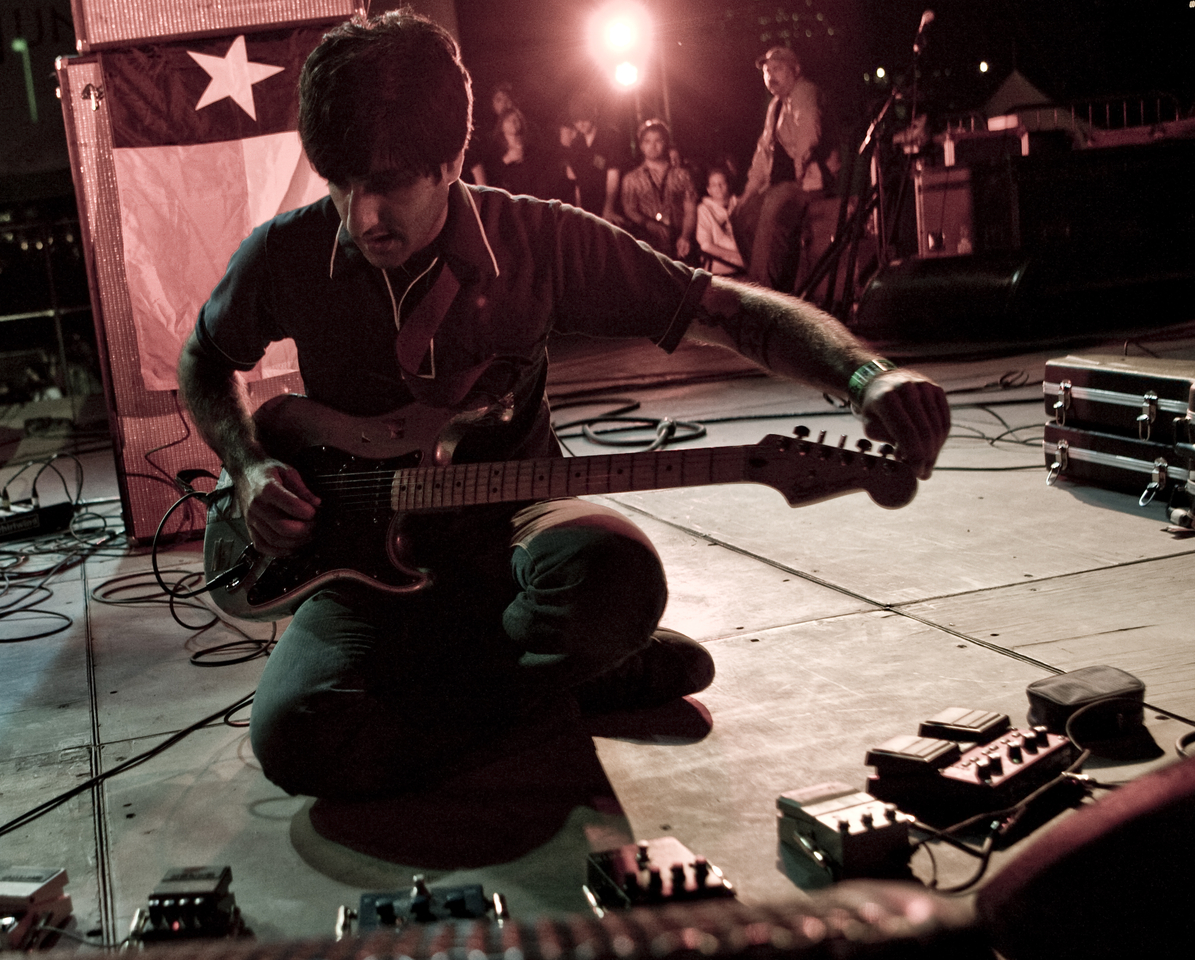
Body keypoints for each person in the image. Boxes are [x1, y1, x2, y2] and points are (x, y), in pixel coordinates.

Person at [178, 10, 950, 801]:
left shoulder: (537, 241)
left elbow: (726, 311)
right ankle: (566, 677)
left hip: (515, 528)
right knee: (294, 735)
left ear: (451, 160)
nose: (364, 214)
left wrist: (863, 375)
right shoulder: (286, 254)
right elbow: (205, 360)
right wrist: (247, 466)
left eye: (391, 182)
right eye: (342, 182)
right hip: (355, 559)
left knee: (619, 577)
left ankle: (508, 664)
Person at [733, 44, 834, 292]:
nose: (770, 76)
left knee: (774, 203)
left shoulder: (804, 91)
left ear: (795, 70)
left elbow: (808, 129)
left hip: (807, 182)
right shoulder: (774, 106)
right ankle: (776, 284)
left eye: (777, 69)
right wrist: (748, 192)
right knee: (741, 214)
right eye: (767, 71)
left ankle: (761, 290)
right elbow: (762, 153)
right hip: (779, 185)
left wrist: (799, 169)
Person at [619, 120, 697, 261]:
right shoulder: (631, 179)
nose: (652, 146)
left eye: (658, 141)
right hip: (648, 244)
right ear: (641, 145)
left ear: (665, 143)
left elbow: (690, 210)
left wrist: (685, 236)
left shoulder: (682, 175)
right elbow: (630, 210)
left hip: (679, 241)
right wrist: (650, 225)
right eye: (647, 141)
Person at [564, 92, 630, 225]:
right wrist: (579, 210)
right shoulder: (576, 144)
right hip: (588, 207)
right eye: (576, 120)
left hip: (611, 205)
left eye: (584, 119)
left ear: (593, 113)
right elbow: (578, 182)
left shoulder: (610, 136)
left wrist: (609, 208)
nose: (580, 124)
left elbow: (613, 175)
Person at [696, 163, 745, 276]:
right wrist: (737, 256)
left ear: (728, 185)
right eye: (714, 185)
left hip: (745, 268)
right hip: (720, 268)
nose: (718, 188)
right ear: (709, 190)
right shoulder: (704, 209)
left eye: (721, 183)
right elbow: (706, 245)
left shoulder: (740, 204)